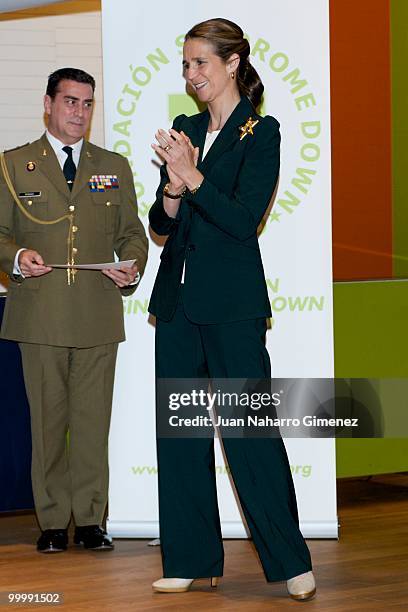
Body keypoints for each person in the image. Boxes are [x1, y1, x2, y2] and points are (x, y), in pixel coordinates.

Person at [148, 18, 316, 601]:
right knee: (182, 437)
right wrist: (172, 189)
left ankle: (291, 561)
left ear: (233, 63)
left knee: (250, 434)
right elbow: (161, 225)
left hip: (232, 307)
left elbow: (245, 221)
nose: (191, 74)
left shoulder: (260, 131)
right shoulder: (186, 128)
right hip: (176, 307)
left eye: (200, 63)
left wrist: (192, 175)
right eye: (186, 64)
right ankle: (192, 559)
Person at [0, 67, 148, 553]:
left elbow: (133, 233)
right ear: (48, 104)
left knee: (90, 424)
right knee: (46, 426)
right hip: (39, 316)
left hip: (97, 314)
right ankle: (50, 522)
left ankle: (89, 521)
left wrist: (133, 266)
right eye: (69, 102)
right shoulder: (12, 164)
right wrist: (18, 258)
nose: (79, 112)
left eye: (87, 104)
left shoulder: (113, 165)